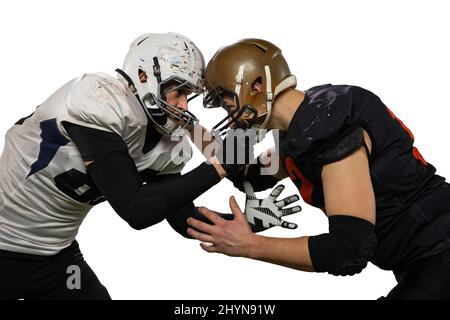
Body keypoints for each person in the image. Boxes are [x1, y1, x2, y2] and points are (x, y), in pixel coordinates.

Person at [187, 38, 450, 299]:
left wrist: (249, 244)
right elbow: (246, 175)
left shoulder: (324, 127)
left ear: (257, 85)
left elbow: (349, 248)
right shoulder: (301, 126)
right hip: (424, 257)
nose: (227, 110)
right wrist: (188, 125)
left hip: (439, 247)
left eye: (226, 99)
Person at [0, 32, 248, 300]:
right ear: (143, 77)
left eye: (189, 95)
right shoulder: (100, 98)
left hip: (56, 260)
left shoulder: (168, 145)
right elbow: (136, 209)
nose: (183, 105)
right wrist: (220, 166)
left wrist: (251, 221)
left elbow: (184, 220)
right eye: (178, 91)